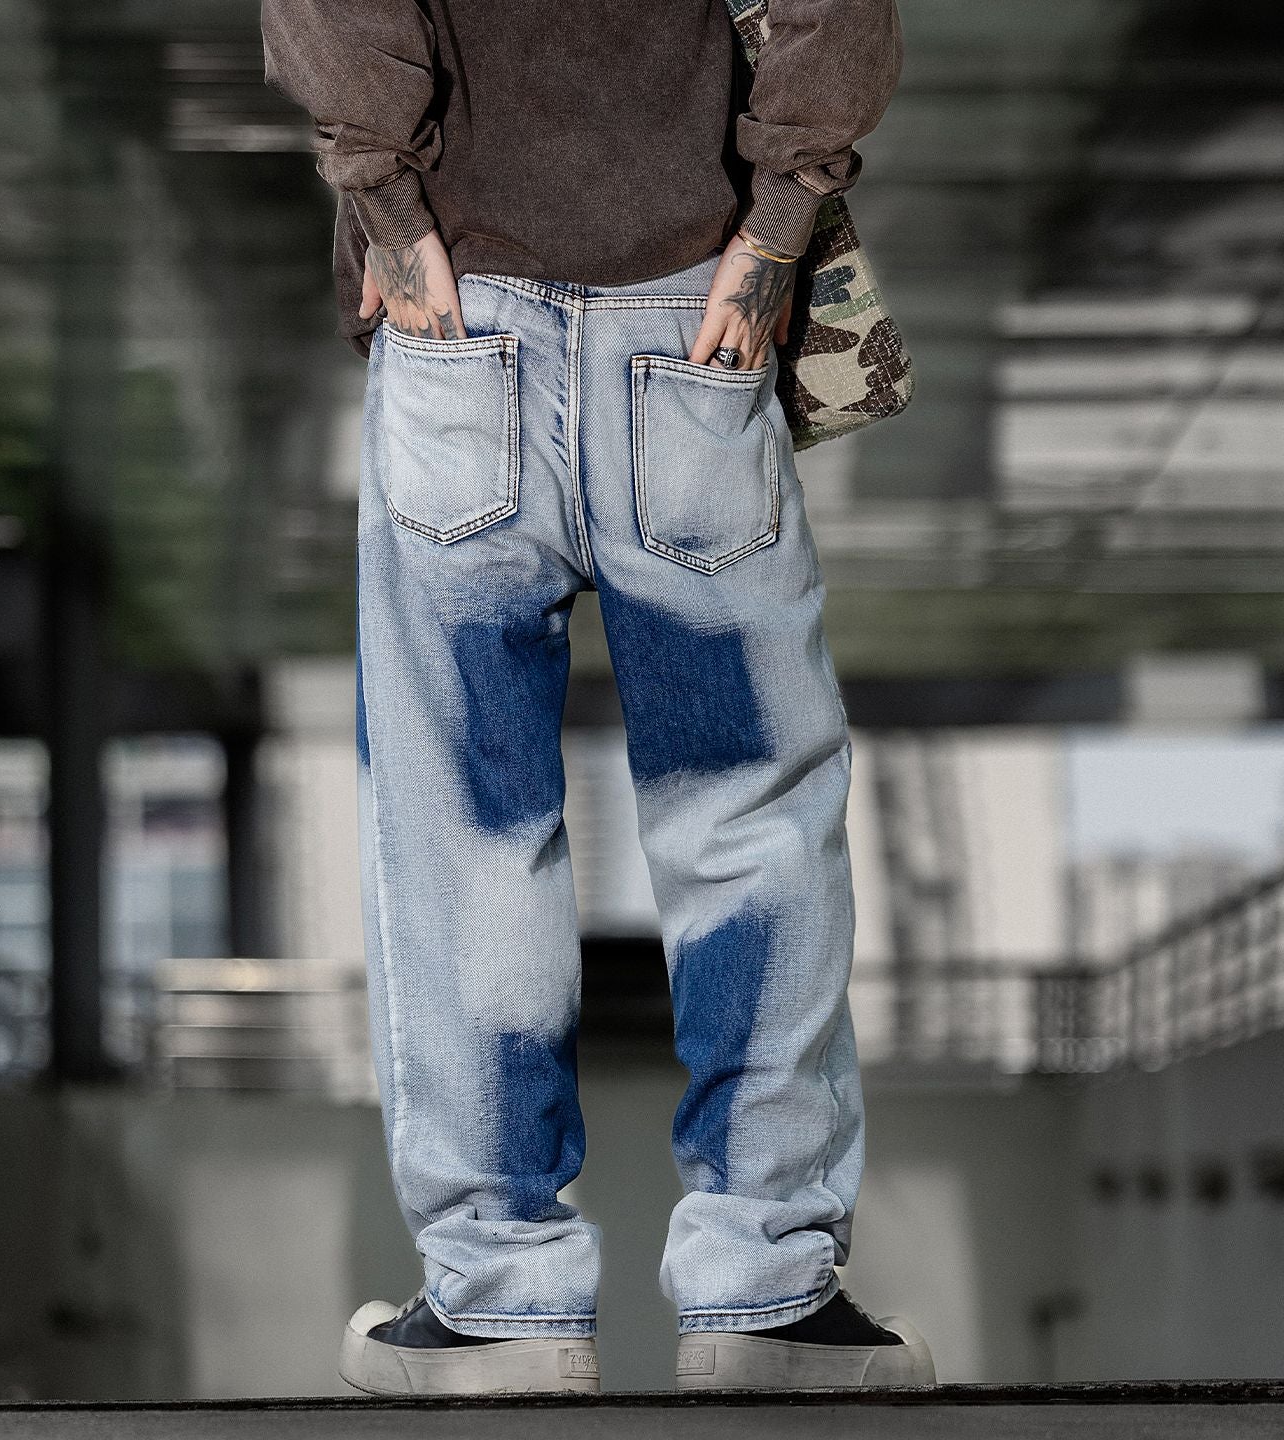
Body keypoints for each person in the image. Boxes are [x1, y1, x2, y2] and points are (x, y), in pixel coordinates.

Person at [261, 0, 934, 1396]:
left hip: (458, 313)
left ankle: (500, 1302)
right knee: (751, 817)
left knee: (463, 830)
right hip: (697, 313)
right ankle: (766, 1296)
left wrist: (391, 213)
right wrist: (774, 233)